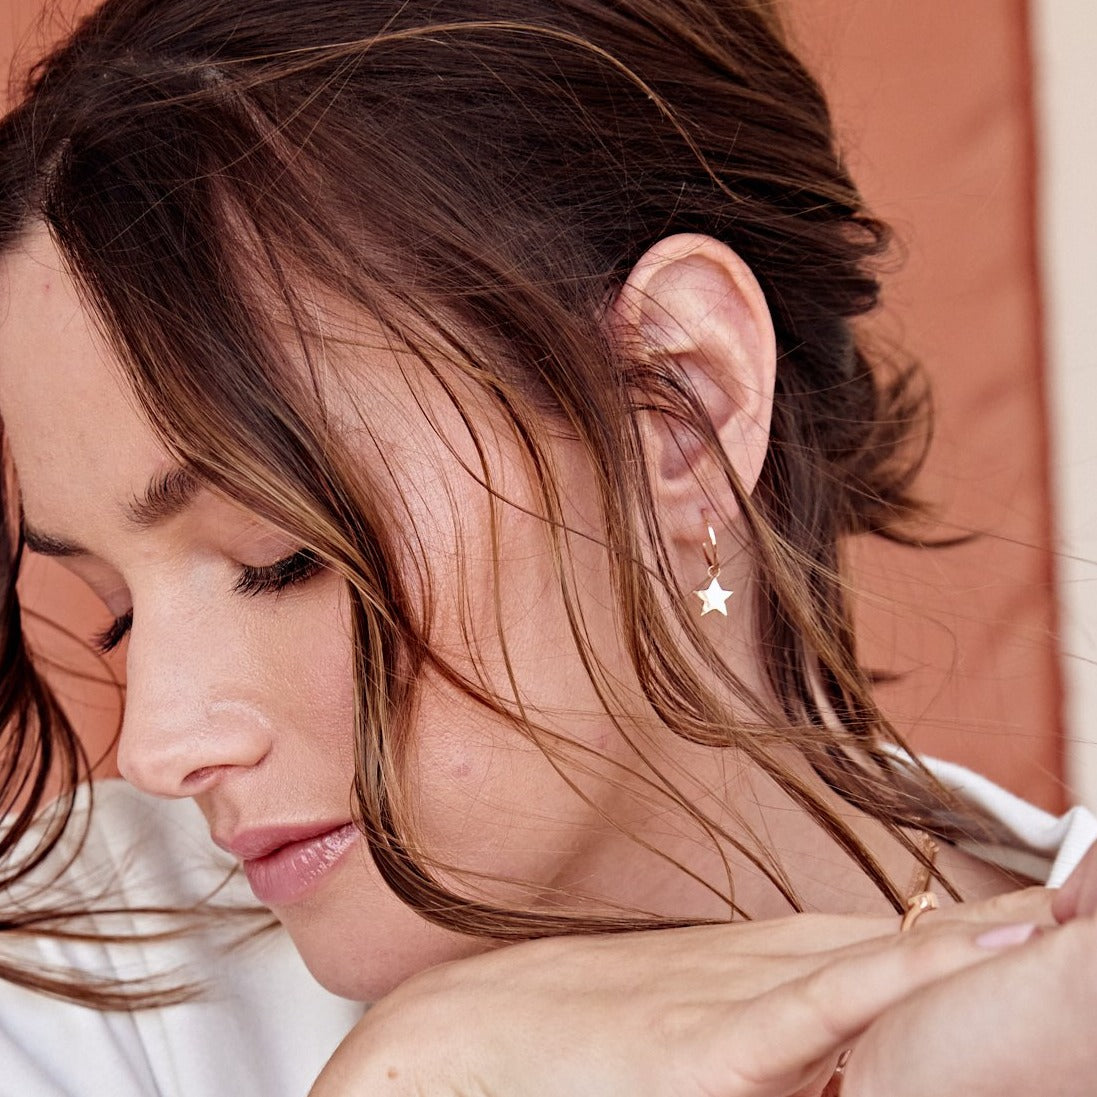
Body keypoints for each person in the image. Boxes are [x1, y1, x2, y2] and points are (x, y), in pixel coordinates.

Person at [1, 1, 1096, 1094]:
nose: (157, 745)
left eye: (278, 554)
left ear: (678, 408)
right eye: (117, 612)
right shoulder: (67, 985)